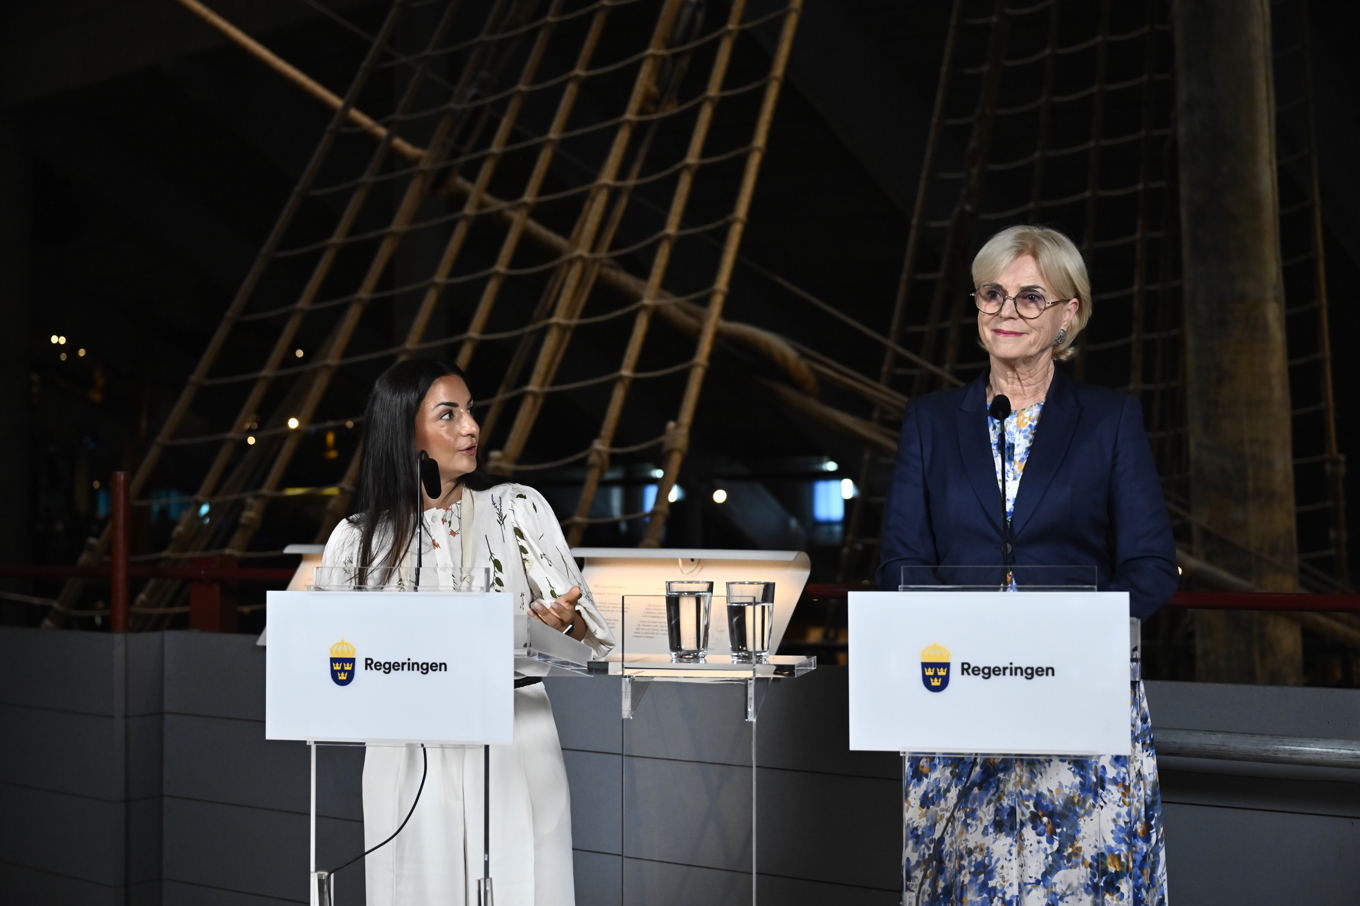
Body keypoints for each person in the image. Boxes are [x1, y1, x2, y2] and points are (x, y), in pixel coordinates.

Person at [876, 224, 1176, 905]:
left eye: (1030, 296)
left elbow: (1152, 565)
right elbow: (900, 560)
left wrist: (1068, 637)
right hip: (957, 698)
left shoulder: (1108, 420)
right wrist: (959, 631)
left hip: (1078, 703)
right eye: (993, 293)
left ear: (1070, 313)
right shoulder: (929, 421)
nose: (1006, 311)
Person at [320, 358, 614, 906]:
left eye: (470, 412)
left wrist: (557, 625)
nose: (471, 428)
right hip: (407, 749)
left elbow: (585, 631)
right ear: (405, 430)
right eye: (448, 415)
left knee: (522, 884)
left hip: (512, 737)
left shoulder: (518, 509)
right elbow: (329, 660)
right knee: (412, 889)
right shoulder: (356, 540)